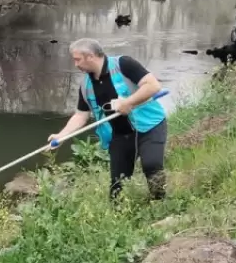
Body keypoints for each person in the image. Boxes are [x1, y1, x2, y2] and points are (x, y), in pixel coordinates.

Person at [48, 38, 168, 201]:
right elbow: (80, 115)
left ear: (90, 56)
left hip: (149, 126)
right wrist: (62, 136)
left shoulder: (124, 64)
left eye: (77, 59)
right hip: (119, 135)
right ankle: (119, 218)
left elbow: (153, 85)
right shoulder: (86, 85)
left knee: (151, 165)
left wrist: (128, 102)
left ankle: (160, 202)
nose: (75, 64)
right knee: (117, 185)